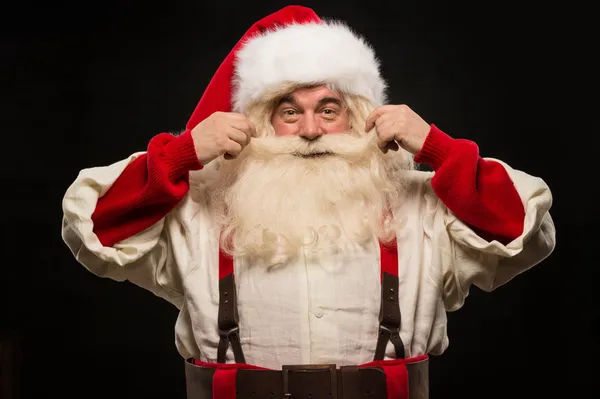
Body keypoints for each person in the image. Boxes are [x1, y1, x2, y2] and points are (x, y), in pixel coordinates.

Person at [61, 5, 556, 399]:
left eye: (329, 108)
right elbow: (93, 229)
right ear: (257, 122)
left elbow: (524, 230)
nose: (312, 129)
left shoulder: (422, 208)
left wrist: (438, 148)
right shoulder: (198, 213)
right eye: (288, 111)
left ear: (360, 115)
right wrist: (180, 155)